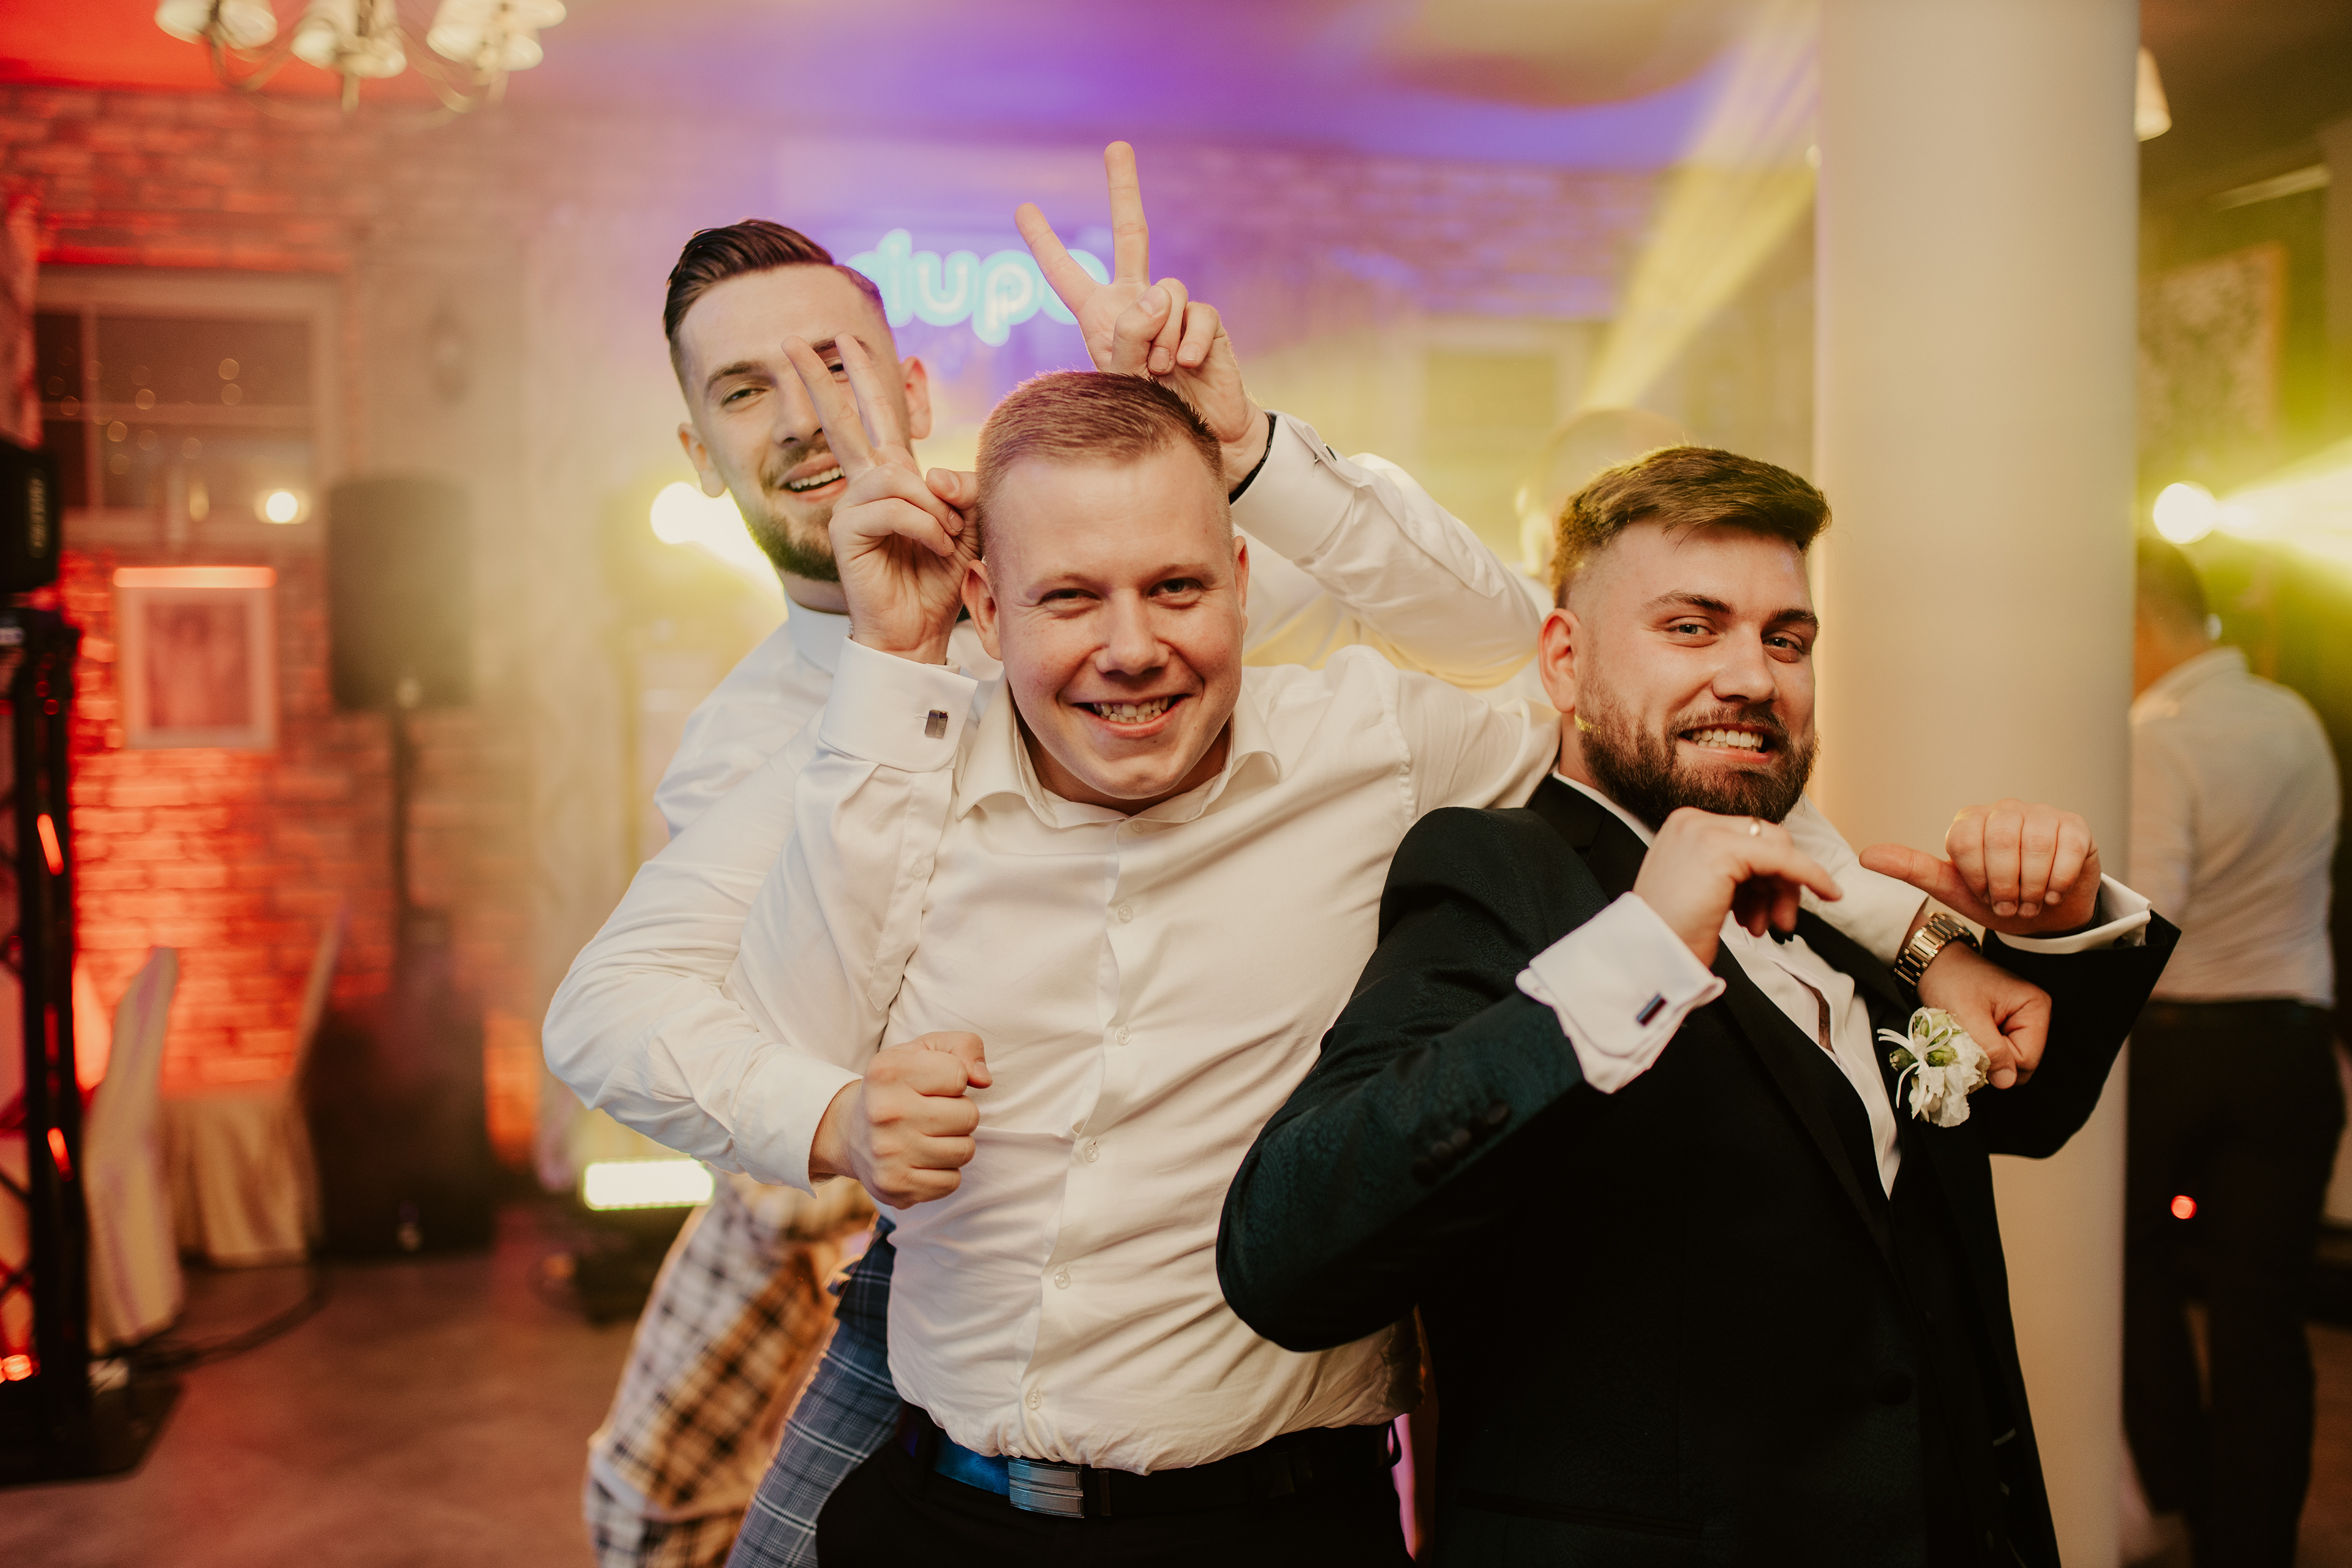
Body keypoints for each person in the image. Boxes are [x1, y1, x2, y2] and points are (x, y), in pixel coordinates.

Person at [655, 363, 2062, 1564]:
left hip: (1281, 1518)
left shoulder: (1378, 746)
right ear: (986, 593)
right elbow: (739, 1023)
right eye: (1071, 595)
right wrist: (837, 1109)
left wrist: (1918, 935)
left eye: (1177, 585)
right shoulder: (893, 758)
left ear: (1241, 579)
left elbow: (1655, 729)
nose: (1132, 646)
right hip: (949, 1506)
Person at [567, 146, 1557, 1568]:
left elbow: (1512, 645)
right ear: (697, 451)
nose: (803, 417)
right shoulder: (750, 743)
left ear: (914, 390)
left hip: (1235, 1369)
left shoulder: (1118, 559)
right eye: (743, 390)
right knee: (702, 1517)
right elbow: (718, 1016)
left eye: (834, 365)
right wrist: (835, 1113)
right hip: (909, 1238)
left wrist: (1235, 448)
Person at [1215, 447, 2181, 1566]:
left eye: (1787, 640)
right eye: (1691, 627)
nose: (1754, 678)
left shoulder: (1835, 906)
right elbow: (1290, 1250)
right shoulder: (1496, 873)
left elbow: (2022, 1110)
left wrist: (2062, 928)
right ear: (1565, 662)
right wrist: (1638, 950)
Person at [2122, 537, 2342, 1568]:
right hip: (2294, 1045)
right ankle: (2253, 1544)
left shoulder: (2157, 736)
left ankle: (2182, 1488)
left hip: (2183, 1047)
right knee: (2267, 1313)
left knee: (2126, 1270)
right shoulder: (2294, 716)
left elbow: (2149, 916)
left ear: (2138, 623)